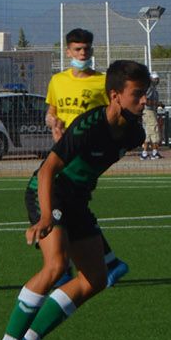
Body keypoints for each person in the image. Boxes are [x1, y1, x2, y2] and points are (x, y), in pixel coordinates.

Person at [0, 59, 154, 340]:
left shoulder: (134, 133)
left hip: (77, 200)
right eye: (137, 94)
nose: (144, 100)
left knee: (96, 278)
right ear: (115, 95)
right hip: (50, 192)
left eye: (145, 93)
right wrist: (44, 216)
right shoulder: (88, 126)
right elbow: (47, 171)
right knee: (55, 266)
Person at [45, 28, 130, 287]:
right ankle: (109, 262)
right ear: (68, 51)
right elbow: (51, 111)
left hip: (85, 154)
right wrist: (53, 123)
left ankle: (62, 269)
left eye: (87, 49)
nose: (83, 53)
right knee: (68, 204)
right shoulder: (57, 81)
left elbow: (115, 113)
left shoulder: (102, 82)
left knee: (55, 199)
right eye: (78, 49)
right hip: (64, 150)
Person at [138, 84, 164, 160]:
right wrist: (157, 104)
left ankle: (145, 153)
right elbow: (146, 100)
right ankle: (154, 152)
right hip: (149, 111)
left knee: (148, 133)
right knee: (154, 130)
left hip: (151, 111)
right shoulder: (149, 89)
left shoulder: (154, 89)